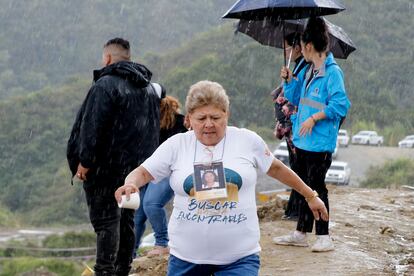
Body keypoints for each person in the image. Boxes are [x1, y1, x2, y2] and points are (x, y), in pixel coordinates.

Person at [114, 80, 329, 275]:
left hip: (239, 259)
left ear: (227, 114)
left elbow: (275, 168)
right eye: (201, 118)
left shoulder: (247, 141)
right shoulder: (176, 145)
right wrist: (130, 183)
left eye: (216, 117)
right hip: (185, 259)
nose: (209, 124)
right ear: (189, 119)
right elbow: (143, 171)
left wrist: (310, 195)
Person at [67, 37, 164, 275]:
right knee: (126, 220)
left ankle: (104, 270)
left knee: (106, 222)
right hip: (134, 170)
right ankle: (123, 269)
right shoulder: (148, 88)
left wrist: (85, 161)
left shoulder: (105, 85)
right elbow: (152, 129)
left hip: (104, 168)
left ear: (107, 58)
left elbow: (92, 127)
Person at [273, 17, 351, 252]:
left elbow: (340, 105)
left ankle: (324, 236)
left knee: (317, 188)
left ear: (308, 46)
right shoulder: (308, 70)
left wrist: (314, 118)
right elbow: (297, 98)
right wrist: (289, 81)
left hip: (319, 143)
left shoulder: (332, 73)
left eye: (302, 46)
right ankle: (300, 233)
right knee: (304, 188)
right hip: (302, 140)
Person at [134, 95, 188, 257]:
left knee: (151, 204)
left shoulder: (181, 121)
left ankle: (162, 243)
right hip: (150, 169)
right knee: (137, 215)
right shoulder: (147, 123)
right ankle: (129, 253)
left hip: (169, 170)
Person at [272, 32, 308, 221]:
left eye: (287, 47)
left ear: (297, 47)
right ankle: (294, 209)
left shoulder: (305, 67)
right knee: (296, 166)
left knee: (299, 167)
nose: (285, 52)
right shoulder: (298, 65)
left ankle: (297, 210)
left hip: (295, 124)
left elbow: (296, 96)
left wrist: (289, 81)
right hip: (292, 124)